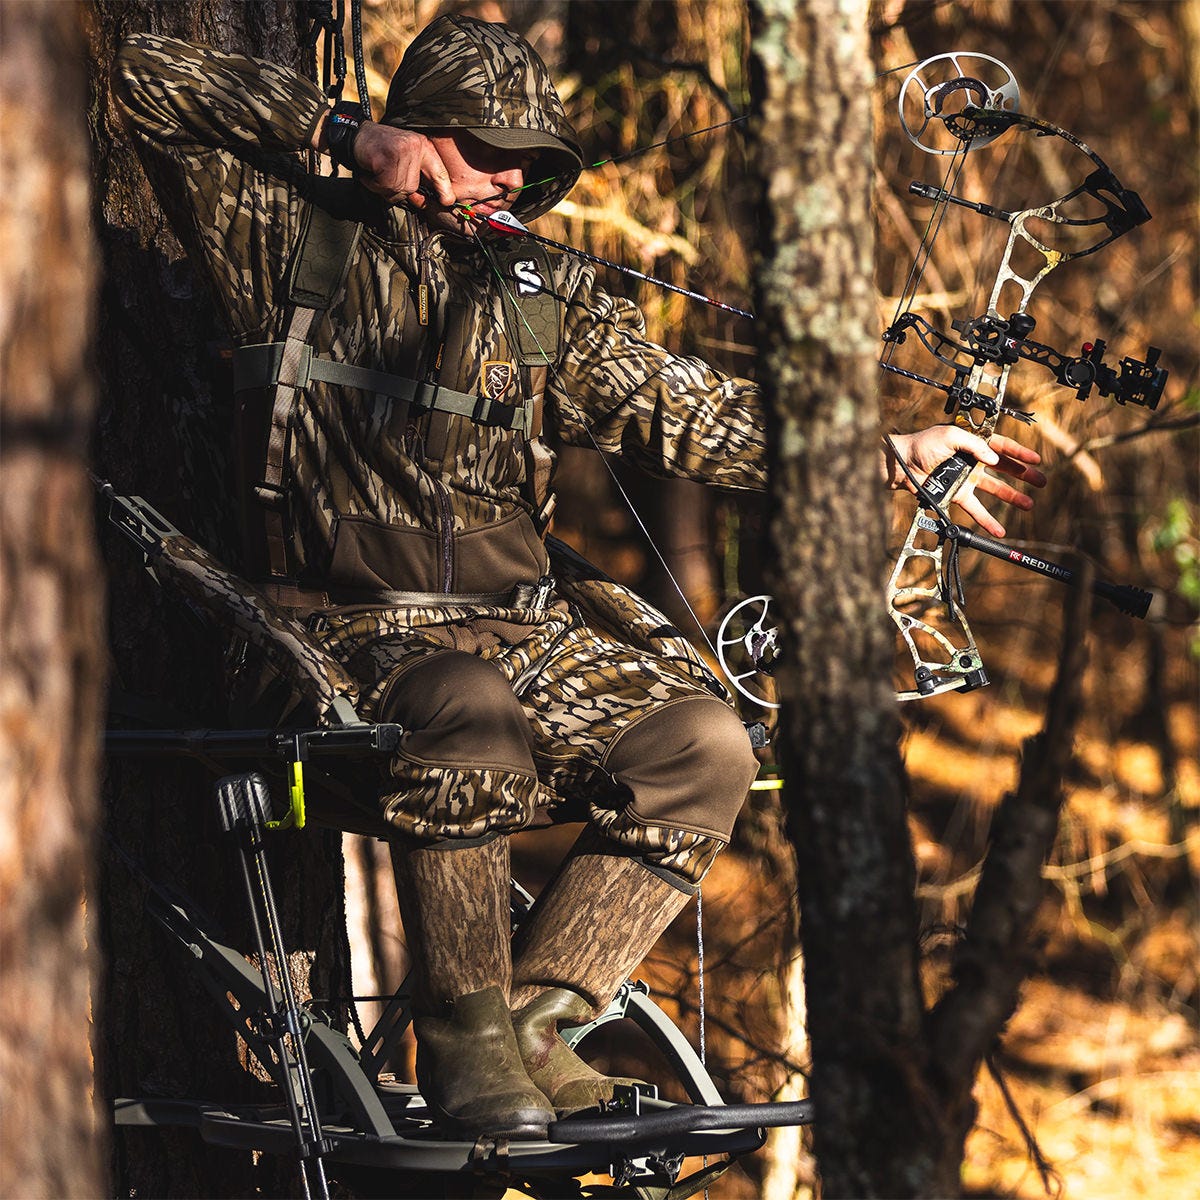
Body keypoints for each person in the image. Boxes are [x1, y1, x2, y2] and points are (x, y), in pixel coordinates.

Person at [113, 14, 1045, 1140]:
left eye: (531, 161)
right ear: (422, 132)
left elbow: (683, 408)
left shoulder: (538, 290)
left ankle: (532, 1029)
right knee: (463, 710)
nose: (511, 177)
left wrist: (881, 448)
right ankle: (460, 1047)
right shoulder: (283, 231)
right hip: (326, 644)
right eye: (485, 148)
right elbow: (134, 77)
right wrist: (345, 135)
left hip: (511, 636)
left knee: (701, 745)